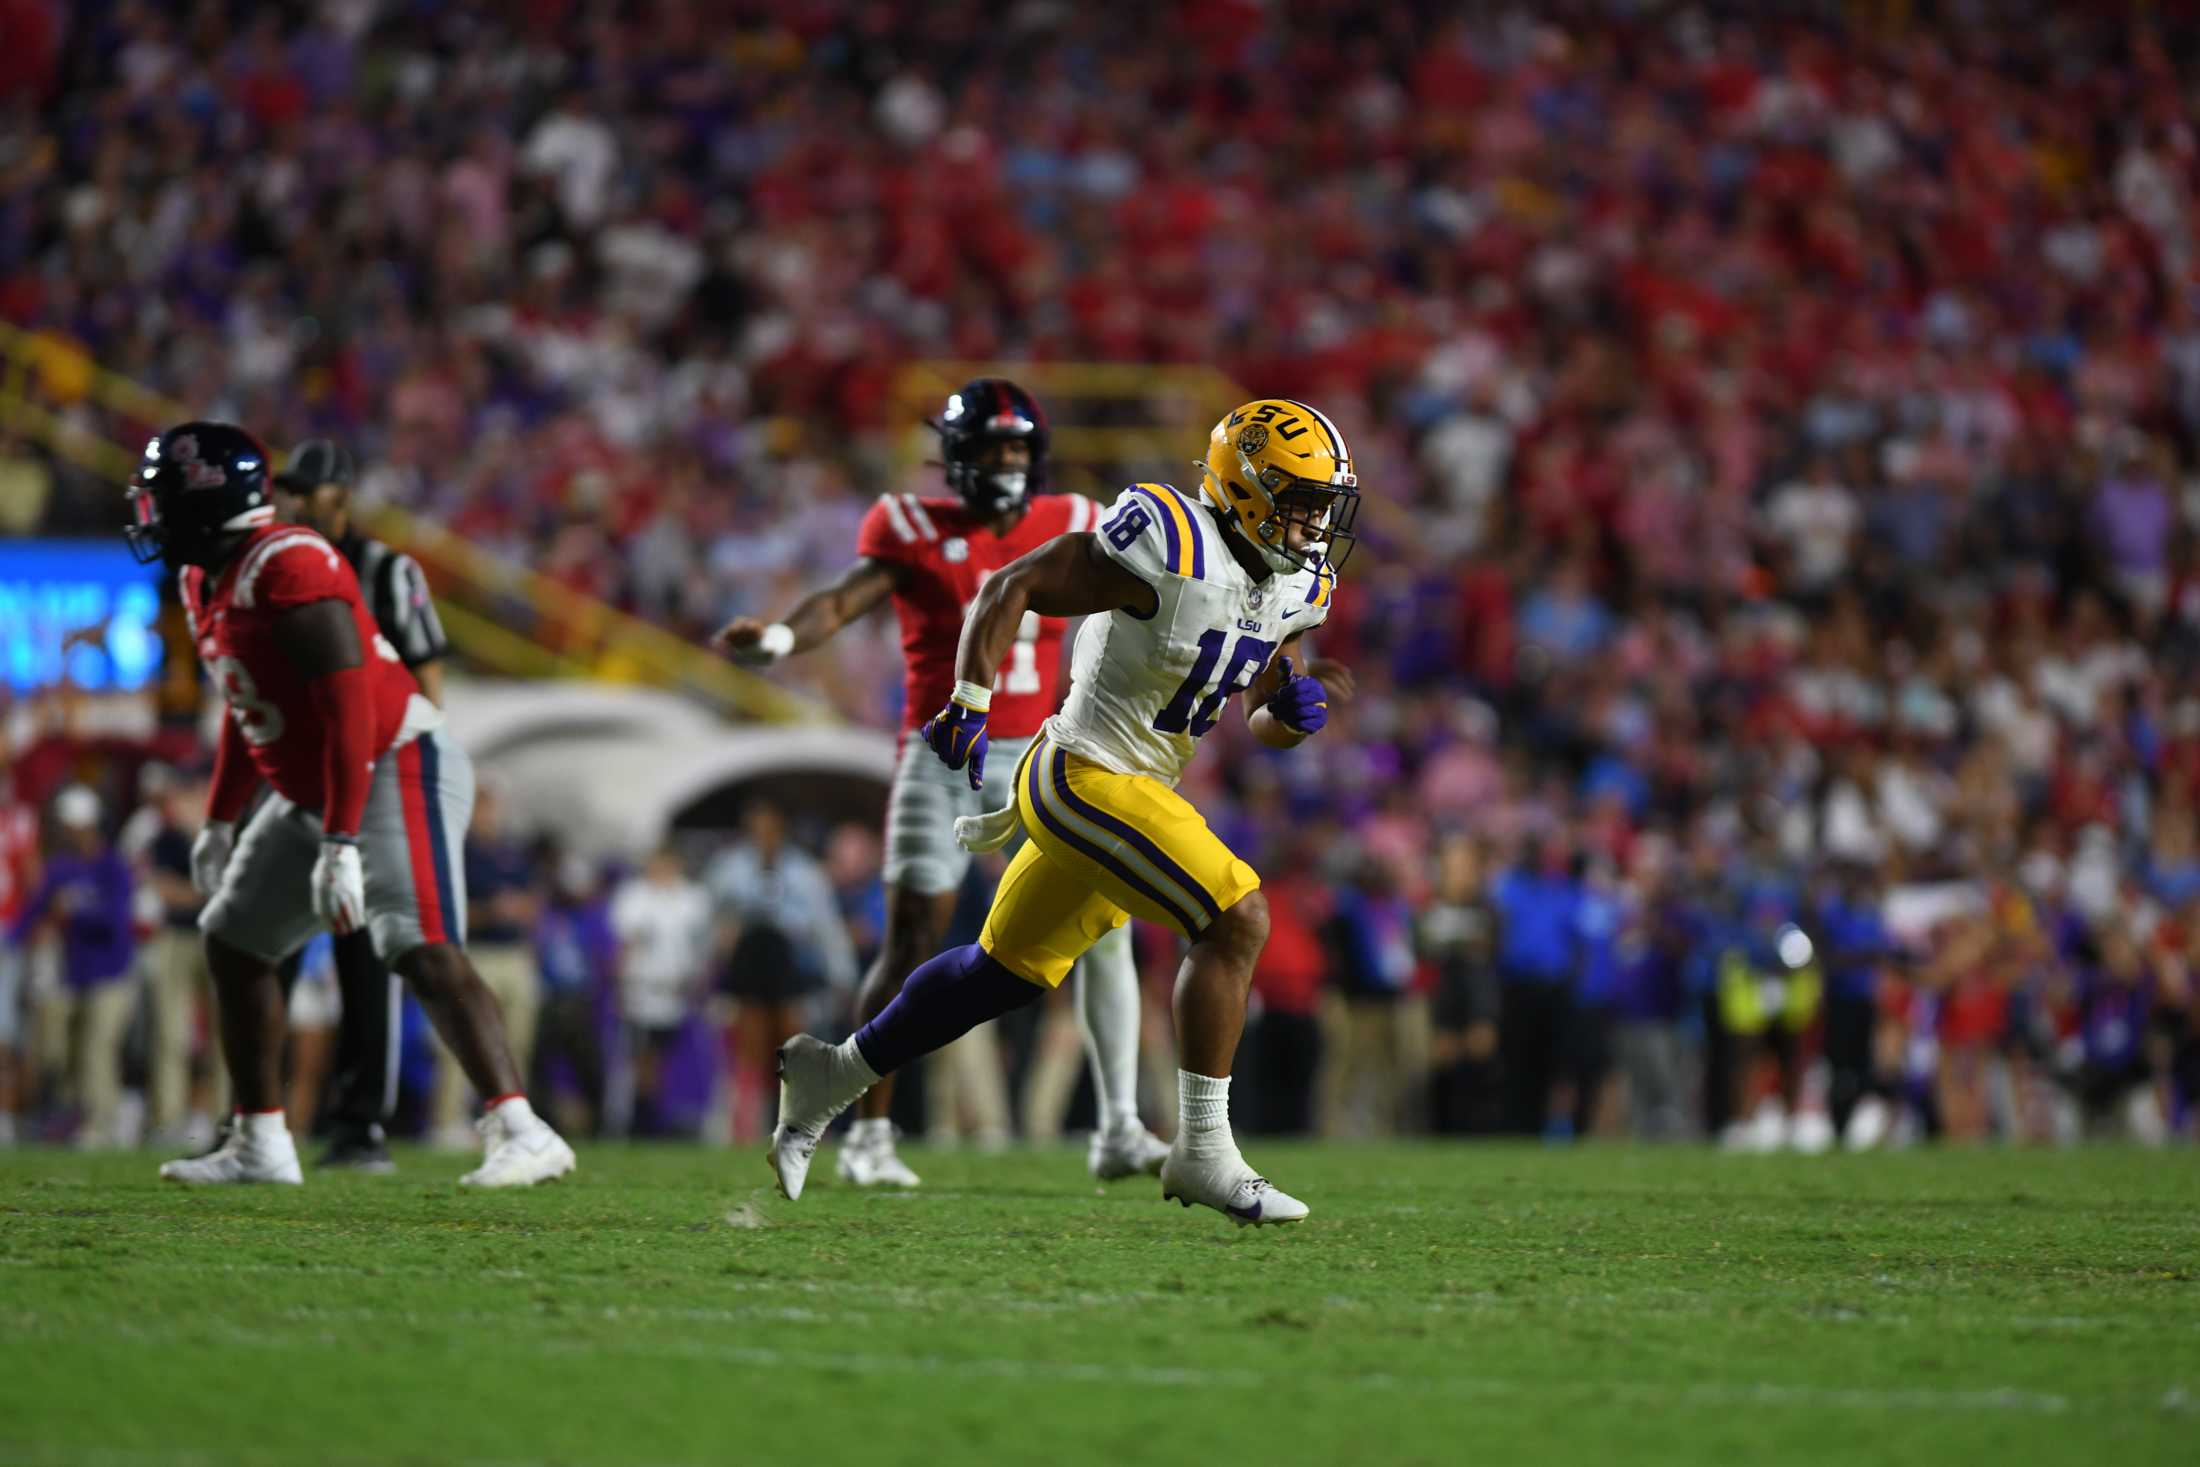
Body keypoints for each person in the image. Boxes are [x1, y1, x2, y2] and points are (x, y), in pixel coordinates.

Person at [768, 397, 1360, 1225]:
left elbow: (1262, 702)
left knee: (993, 974)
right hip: (1081, 771)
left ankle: (834, 1071)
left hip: (1144, 783)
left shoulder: (1298, 581)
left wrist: (1288, 717)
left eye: (1322, 507)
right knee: (1237, 916)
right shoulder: (1167, 538)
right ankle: (1202, 1149)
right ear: (1247, 490)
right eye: (1300, 501)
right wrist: (969, 699)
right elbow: (1014, 583)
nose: (1314, 524)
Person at [714, 378, 1168, 1187]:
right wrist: (782, 636)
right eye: (991, 449)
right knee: (913, 934)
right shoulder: (909, 523)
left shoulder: (1073, 519)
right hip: (942, 749)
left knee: (1108, 925)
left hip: (1045, 749)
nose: (1006, 463)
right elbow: (844, 600)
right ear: (957, 458)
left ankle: (1120, 1126)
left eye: (1018, 449)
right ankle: (870, 1136)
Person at [124, 421, 572, 1186]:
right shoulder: (205, 578)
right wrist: (221, 817)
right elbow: (246, 705)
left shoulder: (290, 562)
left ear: (208, 503)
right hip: (317, 784)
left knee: (419, 943)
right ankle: (261, 1140)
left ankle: (522, 1128)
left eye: (163, 501)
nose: (150, 517)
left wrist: (340, 840)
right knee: (233, 940)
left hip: (396, 758)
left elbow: (350, 710)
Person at [267, 438, 450, 1170]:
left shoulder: (386, 569)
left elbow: (429, 677)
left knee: (365, 957)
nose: (288, 504)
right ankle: (254, 1114)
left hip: (371, 781)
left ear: (337, 499)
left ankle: (358, 1122)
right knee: (261, 945)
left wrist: (417, 773)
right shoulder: (274, 567)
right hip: (295, 784)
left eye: (302, 493)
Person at [704, 801, 856, 1140]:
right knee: (749, 1048)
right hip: (747, 965)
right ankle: (744, 1126)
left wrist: (841, 975)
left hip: (789, 966)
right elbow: (709, 920)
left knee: (794, 1049)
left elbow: (825, 926)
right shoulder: (729, 869)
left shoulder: (804, 872)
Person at [8, 785, 137, 1147]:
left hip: (112, 973)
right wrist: (10, 941)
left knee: (98, 1049)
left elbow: (115, 921)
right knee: (66, 1051)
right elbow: (34, 910)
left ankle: (103, 1123)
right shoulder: (61, 868)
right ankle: (77, 1118)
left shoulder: (113, 866)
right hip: (76, 973)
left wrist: (75, 912)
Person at [430, 780, 542, 1147]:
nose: (488, 815)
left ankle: (512, 1120)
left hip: (513, 953)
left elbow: (534, 903)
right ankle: (449, 1121)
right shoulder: (458, 852)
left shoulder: (510, 852)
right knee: (463, 1038)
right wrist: (490, 911)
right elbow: (448, 909)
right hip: (474, 953)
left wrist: (518, 910)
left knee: (516, 1040)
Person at [608, 845, 711, 1138]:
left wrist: (698, 978)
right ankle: (641, 1120)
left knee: (665, 1059)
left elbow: (701, 945)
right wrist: (620, 984)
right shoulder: (634, 896)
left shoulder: (692, 899)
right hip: (641, 988)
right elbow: (624, 944)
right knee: (642, 1056)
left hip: (677, 990)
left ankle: (659, 1116)